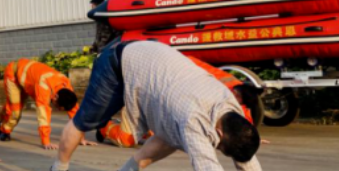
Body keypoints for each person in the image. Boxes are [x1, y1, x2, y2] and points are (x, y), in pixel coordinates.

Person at [50, 40, 304, 171]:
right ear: (218, 132)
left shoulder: (231, 110)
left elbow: (245, 157)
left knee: (173, 133)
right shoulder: (193, 118)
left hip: (153, 60)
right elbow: (209, 170)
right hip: (117, 63)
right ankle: (59, 169)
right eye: (220, 147)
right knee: (86, 121)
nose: (217, 150)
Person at [96, 56, 263, 147]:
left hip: (160, 93)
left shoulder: (234, 89)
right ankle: (104, 127)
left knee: (155, 135)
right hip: (145, 91)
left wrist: (249, 135)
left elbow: (242, 113)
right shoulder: (217, 90)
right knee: (128, 139)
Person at [0, 59, 83, 149]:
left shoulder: (65, 84)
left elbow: (74, 111)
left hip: (26, 77)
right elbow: (43, 116)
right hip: (13, 75)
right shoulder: (43, 88)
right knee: (15, 111)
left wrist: (80, 138)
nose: (56, 109)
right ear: (55, 97)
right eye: (57, 107)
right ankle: (5, 130)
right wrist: (46, 141)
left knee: (14, 105)